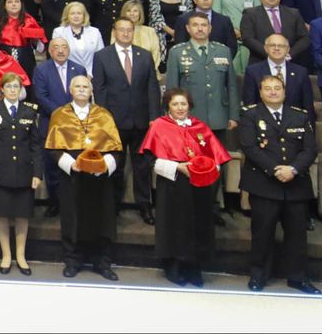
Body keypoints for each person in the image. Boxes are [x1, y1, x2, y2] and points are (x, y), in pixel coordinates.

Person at [139, 88, 231, 287]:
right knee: (174, 225)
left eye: (183, 104)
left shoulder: (200, 127)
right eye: (175, 104)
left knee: (198, 224)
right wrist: (178, 167)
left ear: (189, 105)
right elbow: (149, 158)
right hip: (172, 184)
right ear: (168, 106)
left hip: (199, 185)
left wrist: (205, 169)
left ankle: (194, 268)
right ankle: (174, 267)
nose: (180, 108)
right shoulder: (159, 127)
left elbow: (217, 156)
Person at [239, 75, 321, 294]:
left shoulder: (300, 116)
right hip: (264, 183)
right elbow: (249, 147)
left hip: (296, 184)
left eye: (277, 88)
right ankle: (258, 276)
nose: (273, 92)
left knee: (297, 235)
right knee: (262, 233)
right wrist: (276, 170)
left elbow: (310, 149)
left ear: (284, 92)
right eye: (268, 88)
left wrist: (293, 169)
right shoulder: (250, 114)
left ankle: (298, 278)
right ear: (261, 92)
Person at [45, 74, 123, 280]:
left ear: (91, 91)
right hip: (72, 175)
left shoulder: (104, 115)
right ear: (70, 90)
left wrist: (103, 166)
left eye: (85, 87)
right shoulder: (59, 115)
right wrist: (72, 165)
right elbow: (53, 149)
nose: (81, 90)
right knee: (72, 218)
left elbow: (115, 149)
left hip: (99, 177)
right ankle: (72, 261)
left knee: (103, 218)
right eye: (77, 86)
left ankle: (103, 263)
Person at [166, 14, 238, 215]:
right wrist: (171, 120)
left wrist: (233, 114)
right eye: (195, 25)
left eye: (203, 25)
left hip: (218, 118)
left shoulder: (222, 51)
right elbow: (172, 89)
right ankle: (191, 207)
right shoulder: (177, 53)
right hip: (188, 121)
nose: (200, 29)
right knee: (190, 164)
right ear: (188, 29)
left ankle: (213, 208)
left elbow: (230, 86)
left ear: (210, 28)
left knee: (216, 165)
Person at [91, 17, 161, 224]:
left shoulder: (144, 56)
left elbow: (152, 88)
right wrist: (104, 119)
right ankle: (113, 205)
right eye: (121, 30)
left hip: (141, 121)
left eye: (129, 30)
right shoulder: (102, 56)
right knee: (115, 166)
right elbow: (100, 89)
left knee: (142, 166)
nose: (125, 34)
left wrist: (154, 117)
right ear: (114, 32)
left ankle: (144, 206)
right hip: (114, 122)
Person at [0, 72, 41, 273]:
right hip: (0, 171)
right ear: (2, 90)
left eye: (16, 87)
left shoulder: (29, 111)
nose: (13, 90)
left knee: (23, 215)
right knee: (2, 215)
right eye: (9, 87)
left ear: (21, 90)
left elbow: (36, 146)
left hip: (24, 171)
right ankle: (6, 256)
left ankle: (21, 256)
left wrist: (37, 174)